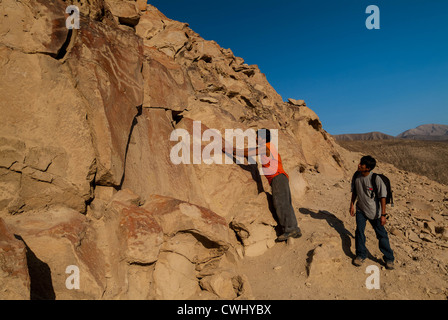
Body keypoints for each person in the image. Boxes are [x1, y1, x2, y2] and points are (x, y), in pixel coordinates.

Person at [223, 128, 302, 242]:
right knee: (285, 203)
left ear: (262, 138)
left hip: (277, 177)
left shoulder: (266, 147)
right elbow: (250, 151)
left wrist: (232, 151)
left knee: (281, 204)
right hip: (280, 177)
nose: (255, 138)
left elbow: (248, 152)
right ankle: (294, 229)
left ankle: (290, 230)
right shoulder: (268, 147)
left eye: (257, 136)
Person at [349, 155, 395, 269]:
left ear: (368, 168)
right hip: (361, 209)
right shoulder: (356, 176)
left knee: (381, 235)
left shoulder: (375, 179)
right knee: (359, 231)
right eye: (360, 163)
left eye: (362, 164)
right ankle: (360, 255)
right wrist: (351, 204)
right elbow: (354, 191)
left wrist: (383, 215)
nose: (359, 165)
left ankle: (389, 259)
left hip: (375, 213)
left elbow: (383, 197)